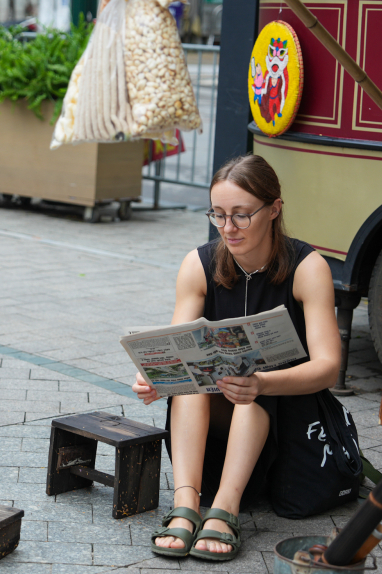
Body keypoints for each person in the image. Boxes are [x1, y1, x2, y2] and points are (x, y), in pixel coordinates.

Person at [132, 155, 341, 561]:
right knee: (193, 380)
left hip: (287, 417)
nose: (228, 228)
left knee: (253, 384)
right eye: (218, 215)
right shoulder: (199, 263)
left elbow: (329, 367)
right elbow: (177, 346)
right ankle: (187, 504)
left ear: (274, 209)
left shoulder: (307, 267)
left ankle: (225, 511)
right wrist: (157, 378)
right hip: (218, 422)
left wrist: (263, 382)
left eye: (242, 216)